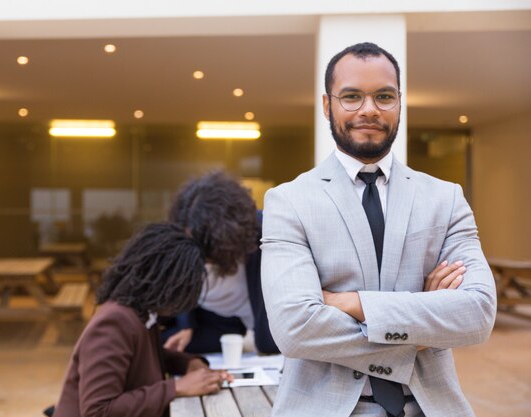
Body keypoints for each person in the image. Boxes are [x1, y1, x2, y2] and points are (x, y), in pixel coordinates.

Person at [260, 42, 496, 417]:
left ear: (400, 103)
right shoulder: (288, 201)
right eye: (351, 96)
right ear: (327, 105)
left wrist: (350, 303)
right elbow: (294, 328)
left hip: (430, 406)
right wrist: (420, 334)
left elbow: (478, 314)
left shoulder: (446, 198)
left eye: (383, 96)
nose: (369, 109)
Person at [52, 223, 231, 417]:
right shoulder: (114, 322)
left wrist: (188, 363)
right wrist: (176, 387)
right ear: (163, 282)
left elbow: (141, 358)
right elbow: (98, 410)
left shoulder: (142, 313)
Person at [162, 171, 279, 354]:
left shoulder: (266, 233)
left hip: (258, 325)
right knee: (166, 342)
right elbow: (179, 277)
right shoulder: (186, 234)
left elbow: (270, 336)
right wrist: (186, 324)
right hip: (216, 323)